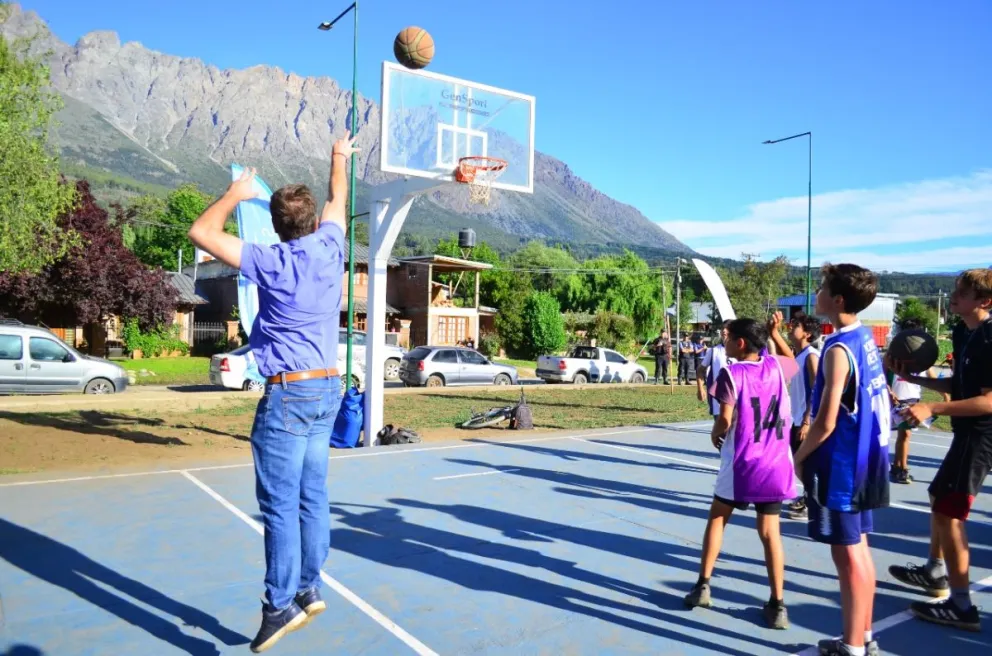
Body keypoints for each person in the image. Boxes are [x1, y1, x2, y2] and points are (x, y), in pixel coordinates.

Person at [188, 133, 360, 653]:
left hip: (288, 396)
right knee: (312, 496)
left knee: (280, 504)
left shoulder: (270, 261)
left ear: (278, 226)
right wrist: (339, 156)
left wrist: (236, 193)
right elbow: (338, 199)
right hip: (327, 389)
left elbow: (201, 232)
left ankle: (277, 605)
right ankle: (310, 586)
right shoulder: (332, 246)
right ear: (311, 222)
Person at [887, 268, 992, 633]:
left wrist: (932, 408)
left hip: (981, 436)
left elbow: (989, 401)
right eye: (954, 290)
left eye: (961, 292)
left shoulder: (991, 338)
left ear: (984, 301)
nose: (953, 296)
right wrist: (913, 379)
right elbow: (958, 385)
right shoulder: (966, 334)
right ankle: (934, 570)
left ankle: (962, 605)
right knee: (937, 497)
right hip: (966, 433)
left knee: (951, 514)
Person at [793, 263, 890, 656]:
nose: (815, 293)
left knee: (847, 555)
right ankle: (862, 636)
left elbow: (827, 421)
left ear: (836, 300)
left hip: (842, 469)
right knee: (861, 551)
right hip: (868, 460)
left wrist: (798, 459)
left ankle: (851, 647)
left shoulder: (836, 350)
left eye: (821, 287)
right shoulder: (864, 338)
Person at [683, 318, 799, 629]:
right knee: (770, 533)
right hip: (776, 462)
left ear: (741, 343)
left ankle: (703, 586)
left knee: (718, 517)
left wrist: (714, 433)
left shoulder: (731, 374)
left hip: (744, 462)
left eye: (729, 338)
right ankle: (778, 604)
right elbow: (793, 360)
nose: (725, 341)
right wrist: (776, 334)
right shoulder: (776, 367)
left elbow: (725, 418)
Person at [769, 313, 821, 519]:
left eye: (796, 326)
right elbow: (785, 356)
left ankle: (812, 501)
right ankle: (812, 496)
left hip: (806, 420)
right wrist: (773, 331)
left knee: (801, 462)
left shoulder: (811, 356)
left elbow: (818, 388)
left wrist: (808, 420)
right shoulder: (799, 355)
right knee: (796, 462)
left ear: (807, 334)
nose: (791, 328)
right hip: (796, 418)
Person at [886, 318, 936, 485]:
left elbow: (932, 377)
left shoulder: (922, 358)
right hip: (893, 399)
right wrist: (890, 392)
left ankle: (900, 468)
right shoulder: (891, 357)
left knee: (905, 434)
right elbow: (881, 377)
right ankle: (897, 467)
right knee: (892, 435)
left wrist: (946, 396)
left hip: (912, 399)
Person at [696, 321, 731, 416]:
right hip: (718, 399)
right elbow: (700, 370)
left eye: (727, 328)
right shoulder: (713, 351)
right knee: (721, 428)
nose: (724, 330)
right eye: (723, 328)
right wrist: (700, 389)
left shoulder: (742, 352)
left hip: (737, 398)